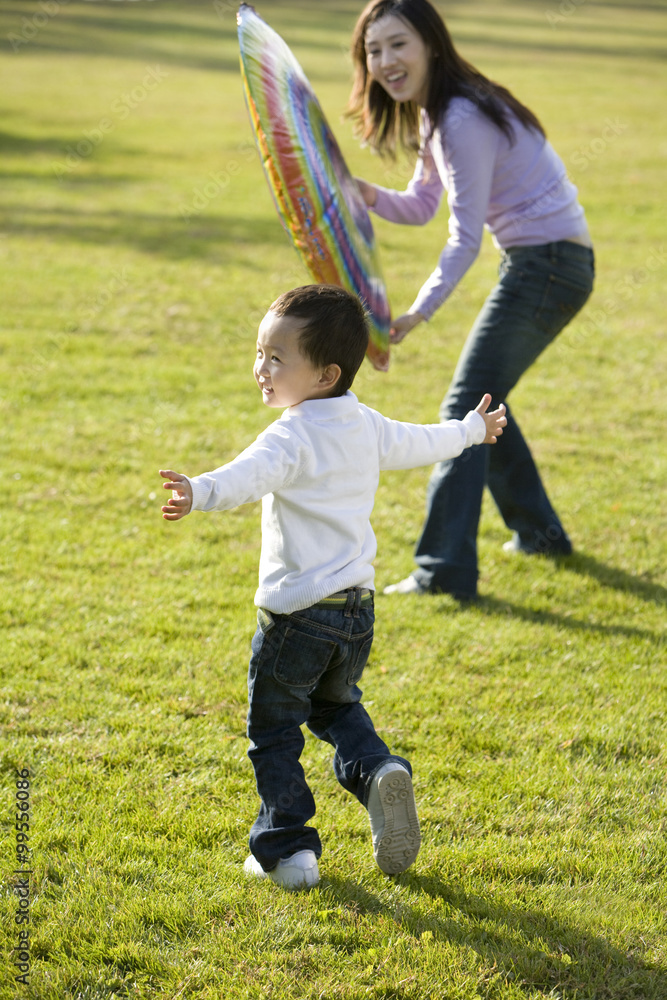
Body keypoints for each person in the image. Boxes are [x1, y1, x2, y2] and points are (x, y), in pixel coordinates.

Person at [159, 284, 506, 890]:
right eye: (260, 352)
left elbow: (245, 477)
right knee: (337, 707)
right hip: (356, 614)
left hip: (294, 617)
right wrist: (472, 430)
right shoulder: (364, 423)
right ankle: (377, 771)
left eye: (277, 358)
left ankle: (288, 851)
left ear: (325, 374)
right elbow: (424, 440)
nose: (261, 368)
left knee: (274, 731)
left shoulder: (292, 436)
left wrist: (198, 490)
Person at [347, 0, 595, 600]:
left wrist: (418, 310)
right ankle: (539, 535)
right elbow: (422, 205)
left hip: (550, 265)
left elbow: (463, 235)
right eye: (373, 51)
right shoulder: (442, 115)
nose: (385, 62)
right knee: (485, 401)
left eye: (397, 44)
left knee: (464, 404)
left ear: (431, 43)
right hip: (548, 262)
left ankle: (443, 571)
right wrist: (363, 193)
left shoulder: (460, 118)